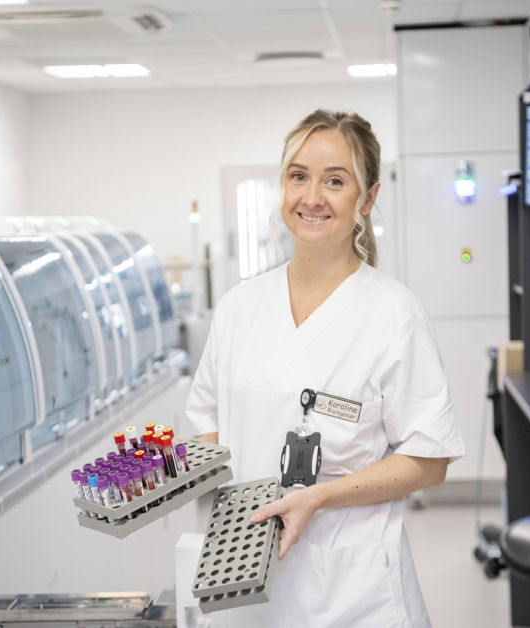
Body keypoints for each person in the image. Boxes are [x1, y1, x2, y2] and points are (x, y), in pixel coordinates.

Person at [185, 109, 464, 627]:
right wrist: (164, 477)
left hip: (353, 592)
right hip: (244, 585)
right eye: (298, 176)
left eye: (335, 181)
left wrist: (318, 498)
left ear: (368, 198)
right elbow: (209, 425)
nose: (312, 197)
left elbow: (429, 458)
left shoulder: (393, 314)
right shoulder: (239, 308)